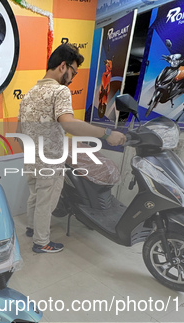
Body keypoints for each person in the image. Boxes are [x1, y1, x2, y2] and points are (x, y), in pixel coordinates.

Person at [18, 43, 126, 253]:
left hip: (31, 156)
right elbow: (68, 123)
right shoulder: (59, 91)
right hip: (50, 159)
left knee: (34, 195)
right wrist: (106, 134)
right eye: (73, 71)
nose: (73, 77)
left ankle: (31, 228)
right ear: (63, 66)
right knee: (45, 201)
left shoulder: (29, 94)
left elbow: (18, 129)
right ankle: (41, 242)